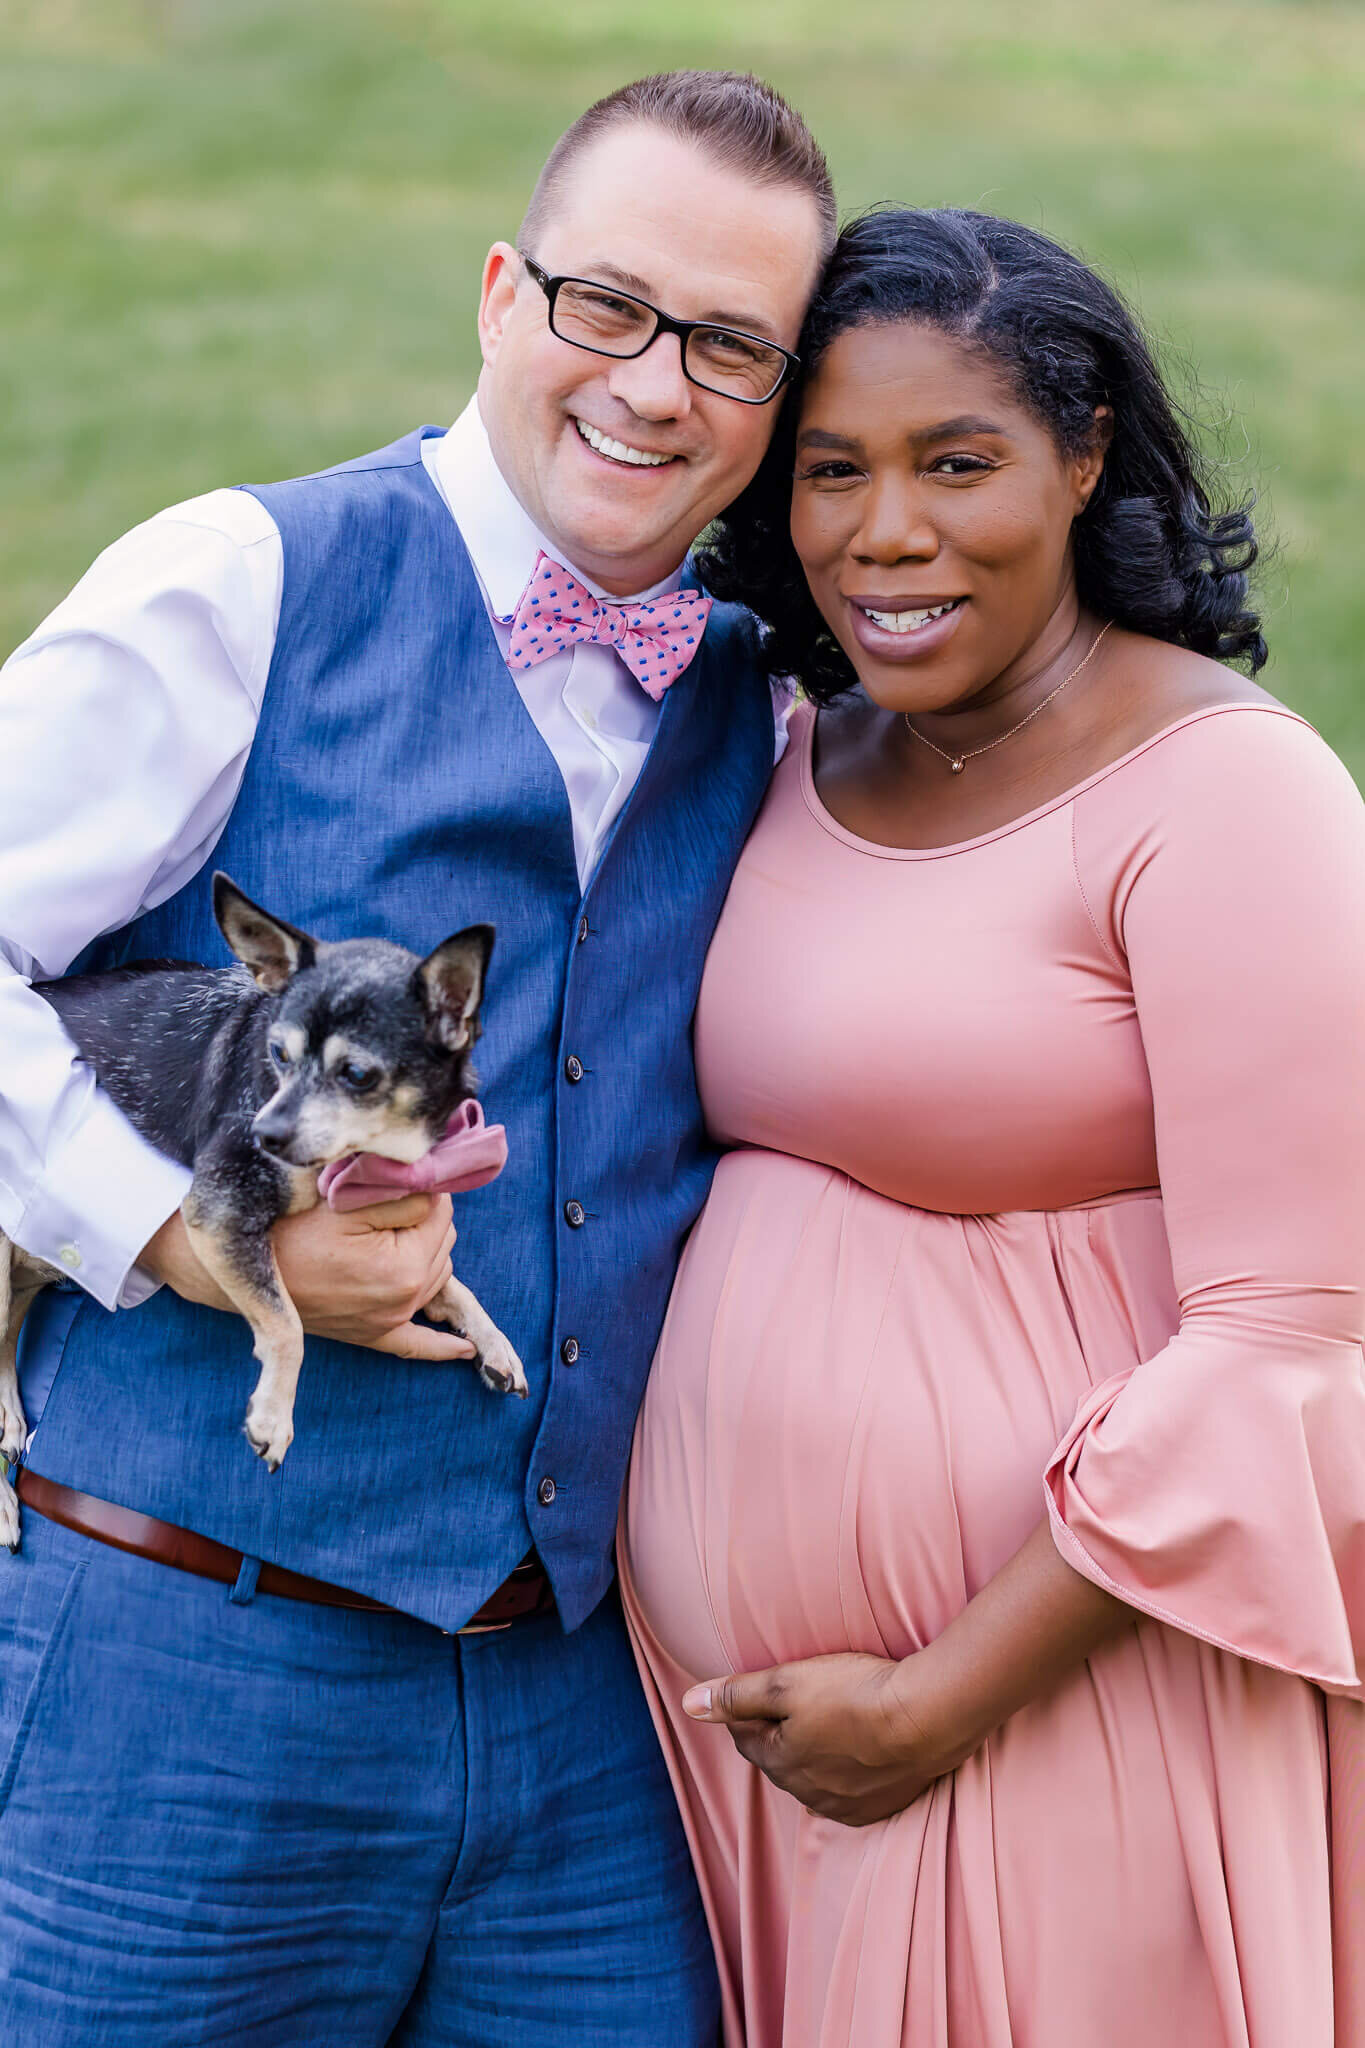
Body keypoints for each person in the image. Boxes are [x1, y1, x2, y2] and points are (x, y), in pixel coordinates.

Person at [0, 72, 832, 2045]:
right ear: (496, 294)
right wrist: (188, 1241)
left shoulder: (770, 702)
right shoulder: (243, 582)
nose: (649, 385)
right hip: (183, 1671)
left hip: (587, 1729)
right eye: (603, 305)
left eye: (727, 344)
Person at [619, 207, 1365, 2047]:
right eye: (830, 472)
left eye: (958, 464)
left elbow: (1297, 1335)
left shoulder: (1222, 791)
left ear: (1082, 454)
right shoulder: (796, 747)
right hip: (757, 1757)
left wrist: (943, 1694)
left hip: (1064, 1703)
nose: (887, 534)